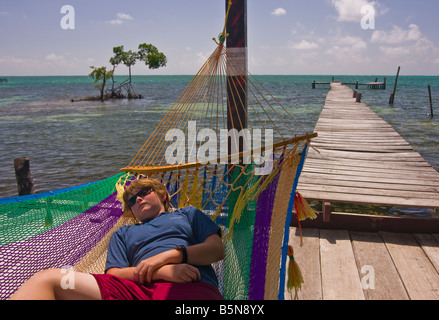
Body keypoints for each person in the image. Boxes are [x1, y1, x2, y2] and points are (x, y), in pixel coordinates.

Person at [9, 178, 225, 300]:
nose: (137, 198)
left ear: (162, 195)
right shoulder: (123, 233)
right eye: (131, 200)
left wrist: (172, 256)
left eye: (144, 191)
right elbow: (114, 273)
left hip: (190, 284)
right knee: (47, 280)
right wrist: (160, 271)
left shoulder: (187, 214)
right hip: (136, 289)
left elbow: (217, 250)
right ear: (130, 211)